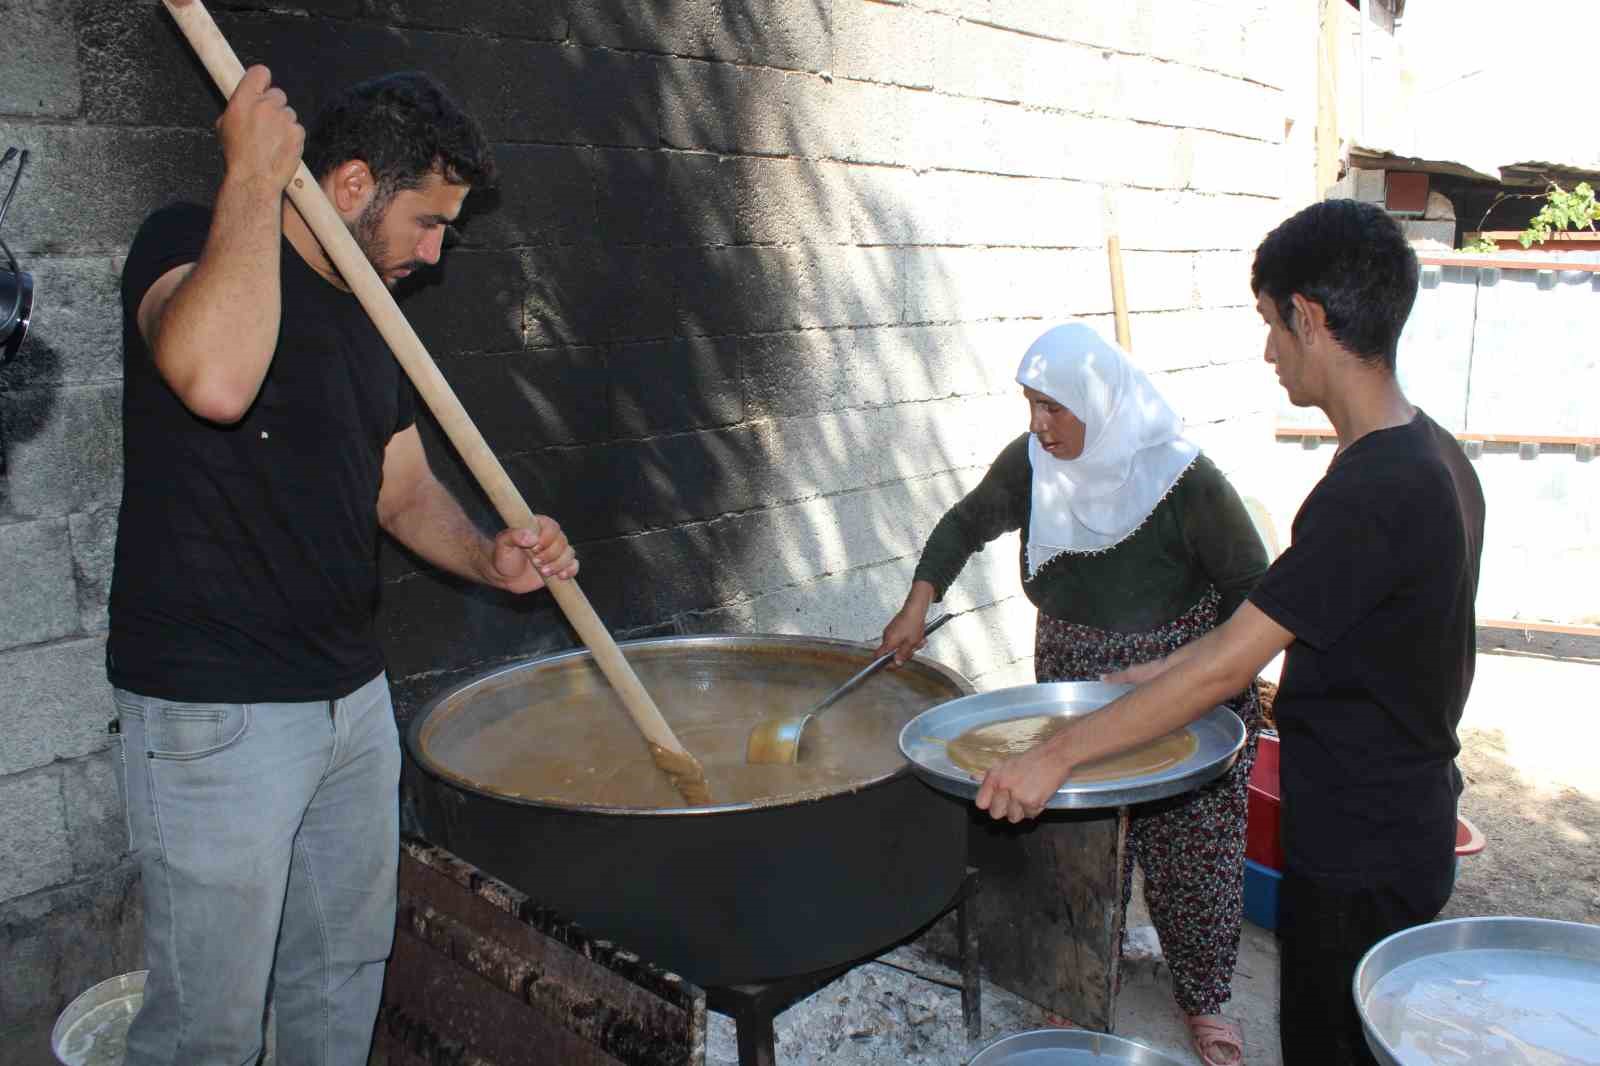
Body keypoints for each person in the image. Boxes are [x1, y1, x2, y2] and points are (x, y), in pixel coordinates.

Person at [108, 68, 577, 1065]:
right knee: (209, 1026)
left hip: (351, 704)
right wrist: (252, 175)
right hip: (216, 714)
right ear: (353, 183)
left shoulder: (373, 318)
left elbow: (401, 490)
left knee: (338, 980)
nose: (436, 251)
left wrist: (489, 559)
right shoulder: (183, 240)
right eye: (429, 220)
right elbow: (217, 379)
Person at [976, 200, 1484, 1066]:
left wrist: (1053, 757)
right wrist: (1157, 672)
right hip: (1401, 817)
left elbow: (1230, 670)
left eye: (1270, 323)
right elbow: (1263, 628)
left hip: (1361, 843)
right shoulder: (1432, 455)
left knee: (1334, 1047)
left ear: (1311, 319)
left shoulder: (1376, 491)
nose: (1267, 350)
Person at [878, 321, 1269, 1065]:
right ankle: (1083, 979)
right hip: (1072, 673)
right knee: (1081, 836)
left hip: (1178, 678)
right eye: (1030, 404)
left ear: (1101, 403)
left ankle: (1206, 997)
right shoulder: (1032, 465)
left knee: (1192, 840)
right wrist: (918, 601)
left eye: (1054, 407)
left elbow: (1255, 593)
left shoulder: (1183, 480)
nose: (1038, 424)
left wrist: (1175, 669)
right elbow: (964, 524)